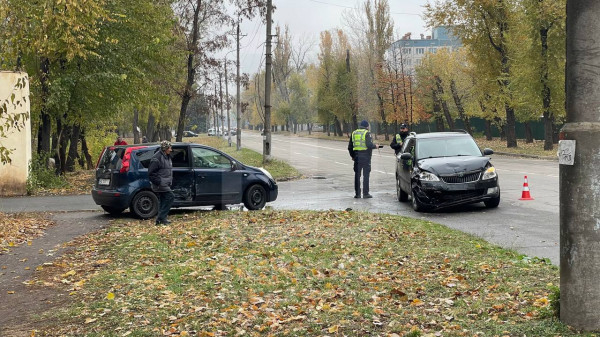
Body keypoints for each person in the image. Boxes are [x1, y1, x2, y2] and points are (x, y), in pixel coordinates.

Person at [348, 120, 379, 199]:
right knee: (366, 176)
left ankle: (357, 194)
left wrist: (353, 156)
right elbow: (369, 145)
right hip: (366, 158)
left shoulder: (354, 133)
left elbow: (350, 147)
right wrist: (375, 146)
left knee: (357, 176)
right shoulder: (367, 133)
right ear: (367, 126)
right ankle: (365, 193)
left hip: (357, 157)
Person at [148, 141, 174, 225]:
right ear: (165, 149)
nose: (171, 149)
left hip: (165, 183)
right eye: (169, 148)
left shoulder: (167, 156)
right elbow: (151, 173)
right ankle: (161, 218)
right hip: (160, 184)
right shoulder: (157, 157)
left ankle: (161, 220)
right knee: (170, 197)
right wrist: (159, 182)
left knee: (162, 201)